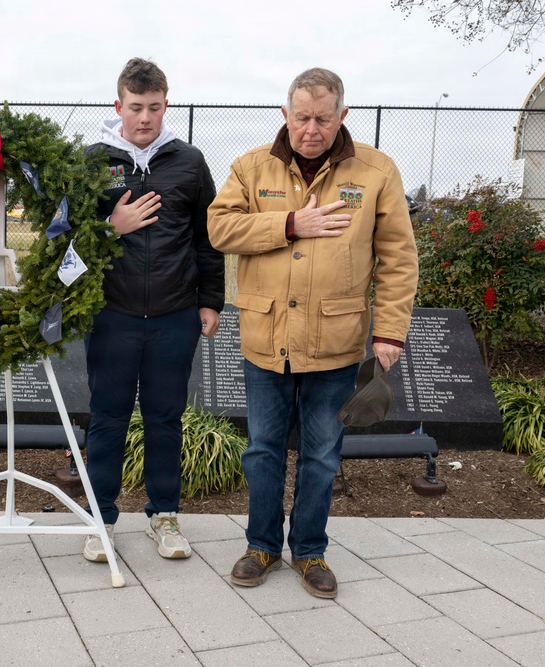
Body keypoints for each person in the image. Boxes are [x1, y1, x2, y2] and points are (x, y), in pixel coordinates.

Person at [207, 68, 418, 598]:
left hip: (337, 343)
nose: (311, 129)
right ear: (285, 113)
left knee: (322, 454)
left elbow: (398, 257)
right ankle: (260, 546)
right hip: (266, 339)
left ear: (343, 115)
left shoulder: (376, 171)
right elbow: (218, 228)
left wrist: (389, 331)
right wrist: (289, 224)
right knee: (262, 450)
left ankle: (309, 551)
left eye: (324, 118)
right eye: (301, 117)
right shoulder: (251, 167)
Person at [82, 58, 225, 563]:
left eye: (155, 107)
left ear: (167, 105)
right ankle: (100, 518)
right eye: (136, 107)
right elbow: (65, 237)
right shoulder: (90, 160)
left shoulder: (189, 161)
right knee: (107, 417)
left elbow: (207, 238)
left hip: (173, 315)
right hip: (112, 314)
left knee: (165, 418)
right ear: (118, 105)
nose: (145, 118)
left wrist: (210, 300)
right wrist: (109, 228)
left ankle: (164, 515)